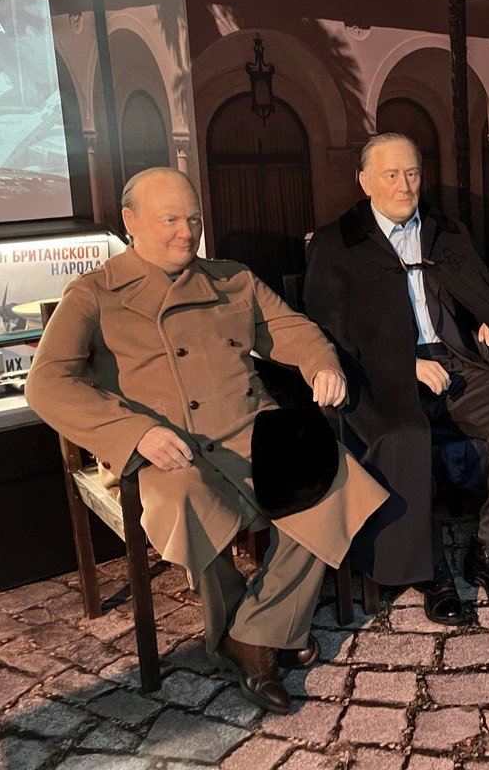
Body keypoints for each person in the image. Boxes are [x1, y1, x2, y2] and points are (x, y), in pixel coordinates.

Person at [26, 168, 387, 714]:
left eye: (193, 219)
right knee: (189, 499)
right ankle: (267, 633)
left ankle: (252, 633)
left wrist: (321, 364)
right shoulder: (94, 293)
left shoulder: (232, 279)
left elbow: (291, 329)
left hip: (248, 429)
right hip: (163, 448)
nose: (186, 232)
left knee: (331, 477)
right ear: (130, 221)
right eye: (169, 219)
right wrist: (135, 432)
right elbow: (47, 383)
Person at [303, 133, 489, 625]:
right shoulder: (337, 243)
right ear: (364, 182)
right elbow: (325, 332)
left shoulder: (446, 231)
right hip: (380, 378)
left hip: (455, 360)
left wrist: (481, 320)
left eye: (412, 173)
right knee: (405, 437)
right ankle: (430, 570)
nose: (404, 186)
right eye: (391, 174)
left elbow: (472, 292)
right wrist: (403, 364)